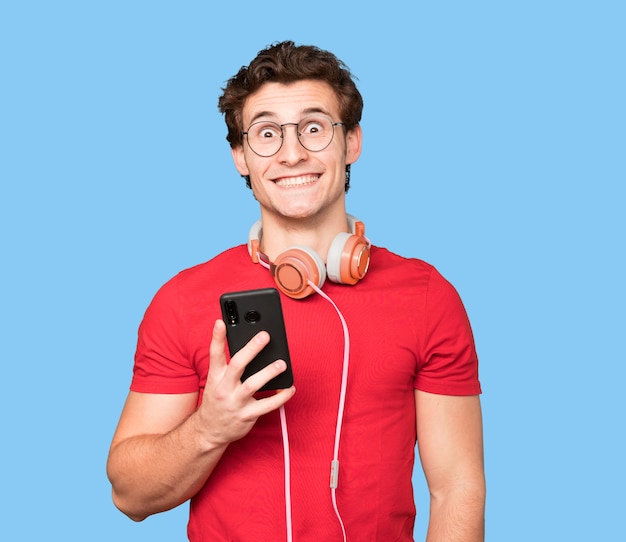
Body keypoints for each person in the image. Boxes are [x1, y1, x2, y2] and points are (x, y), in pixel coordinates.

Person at [107, 40, 485, 541]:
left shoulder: (427, 296)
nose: (292, 153)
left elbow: (457, 487)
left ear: (351, 142)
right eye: (266, 133)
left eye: (313, 128)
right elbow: (130, 496)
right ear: (240, 156)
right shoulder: (182, 300)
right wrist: (210, 427)